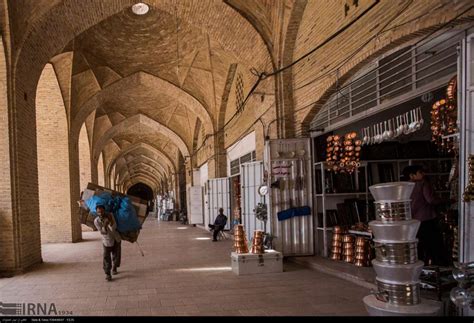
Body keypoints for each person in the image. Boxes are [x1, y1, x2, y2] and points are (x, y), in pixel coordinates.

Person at [403, 165, 449, 266]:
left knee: (419, 246)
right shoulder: (423, 183)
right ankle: (440, 268)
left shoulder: (405, 187)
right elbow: (431, 199)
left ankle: (420, 269)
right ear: (412, 175)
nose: (423, 174)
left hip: (413, 221)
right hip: (427, 219)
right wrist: (446, 200)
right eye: (420, 172)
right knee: (435, 245)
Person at [94, 205, 122, 281]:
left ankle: (114, 267)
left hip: (116, 238)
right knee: (106, 257)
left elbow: (114, 227)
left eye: (102, 211)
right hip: (106, 241)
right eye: (99, 212)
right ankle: (108, 273)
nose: (100, 213)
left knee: (116, 255)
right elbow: (102, 232)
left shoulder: (110, 215)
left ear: (104, 211)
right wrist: (105, 225)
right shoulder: (96, 221)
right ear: (96, 212)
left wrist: (110, 221)